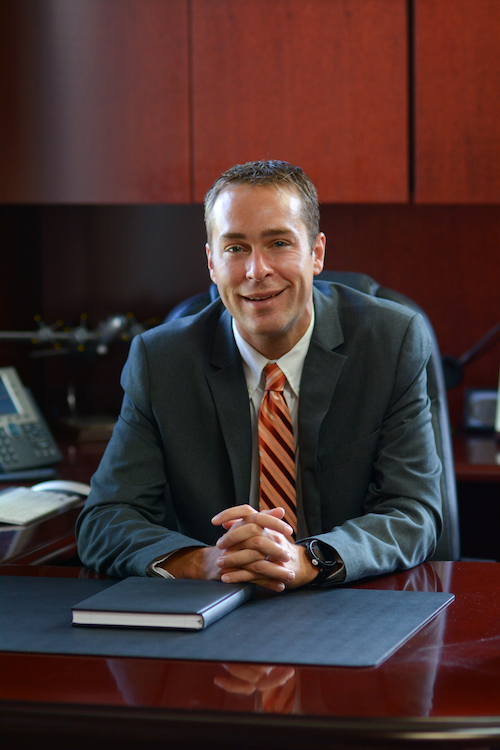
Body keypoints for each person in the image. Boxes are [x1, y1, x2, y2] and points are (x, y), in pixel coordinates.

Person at [76, 160, 442, 591]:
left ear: (317, 253)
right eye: (235, 248)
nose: (257, 271)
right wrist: (206, 561)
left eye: (279, 243)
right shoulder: (161, 361)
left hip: (351, 602)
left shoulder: (389, 342)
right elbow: (105, 518)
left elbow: (411, 512)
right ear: (212, 262)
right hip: (214, 612)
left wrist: (307, 560)